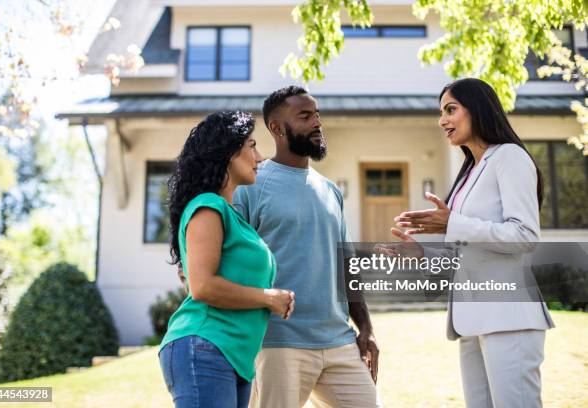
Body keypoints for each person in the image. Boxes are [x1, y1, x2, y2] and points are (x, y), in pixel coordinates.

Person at [391, 78, 555, 407]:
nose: (442, 120)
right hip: (471, 320)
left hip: (509, 318)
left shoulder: (510, 157)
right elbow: (470, 247)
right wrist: (423, 253)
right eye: (441, 112)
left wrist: (453, 221)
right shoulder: (468, 174)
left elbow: (524, 235)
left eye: (451, 109)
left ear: (477, 109)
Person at [233, 86, 381, 408]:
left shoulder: (330, 190)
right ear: (275, 128)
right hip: (279, 342)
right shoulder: (251, 187)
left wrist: (366, 329)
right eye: (304, 116)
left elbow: (347, 264)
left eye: (316, 115)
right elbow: (232, 261)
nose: (316, 122)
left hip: (339, 339)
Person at [159, 111, 295, 408]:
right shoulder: (208, 207)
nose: (259, 156)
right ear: (228, 153)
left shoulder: (232, 215)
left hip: (233, 356)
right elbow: (203, 287)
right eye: (252, 145)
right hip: (205, 345)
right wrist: (269, 297)